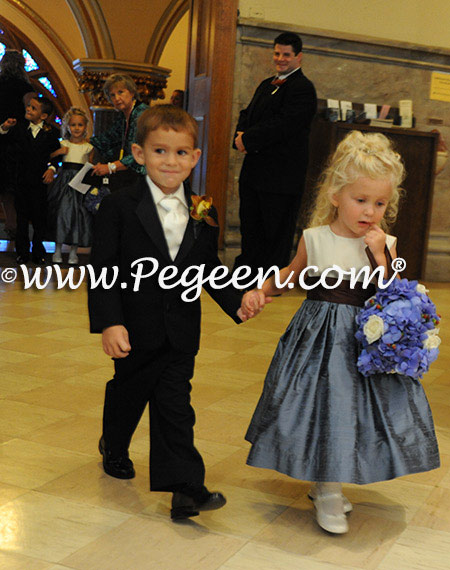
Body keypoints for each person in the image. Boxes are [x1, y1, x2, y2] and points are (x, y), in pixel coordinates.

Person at [241, 131, 440, 534]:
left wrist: (381, 252)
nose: (370, 211)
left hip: (366, 339)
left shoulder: (387, 243)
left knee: (357, 411)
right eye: (360, 200)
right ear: (336, 195)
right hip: (318, 339)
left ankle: (332, 481)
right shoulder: (315, 238)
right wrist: (261, 291)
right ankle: (327, 488)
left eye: (379, 203)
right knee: (322, 406)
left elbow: (393, 290)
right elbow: (290, 275)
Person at [88, 105, 251, 520]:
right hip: (134, 326)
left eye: (181, 153)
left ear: (194, 158)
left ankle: (185, 489)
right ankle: (114, 443)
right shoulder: (119, 207)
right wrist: (109, 321)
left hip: (180, 330)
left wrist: (237, 300)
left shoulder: (202, 210)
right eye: (160, 151)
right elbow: (103, 269)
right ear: (139, 154)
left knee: (175, 406)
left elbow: (207, 268)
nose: (170, 161)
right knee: (129, 393)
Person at [233, 31, 317, 280]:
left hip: (281, 177)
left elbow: (283, 125)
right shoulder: (267, 84)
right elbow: (247, 113)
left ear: (298, 57)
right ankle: (246, 272)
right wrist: (239, 135)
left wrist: (247, 139)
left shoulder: (302, 88)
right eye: (277, 53)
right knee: (251, 225)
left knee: (275, 228)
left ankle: (271, 278)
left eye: (286, 55)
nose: (280, 59)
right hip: (255, 172)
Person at [0, 95, 60, 264]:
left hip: (40, 183)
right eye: (28, 106)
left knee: (39, 219)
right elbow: (4, 143)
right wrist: (4, 128)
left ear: (43, 116)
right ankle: (22, 252)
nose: (28, 109)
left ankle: (38, 251)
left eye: (33, 108)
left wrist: (52, 168)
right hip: (20, 181)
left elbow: (55, 155)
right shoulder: (18, 128)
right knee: (22, 218)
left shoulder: (52, 133)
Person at [47, 107, 94, 265]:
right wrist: (57, 152)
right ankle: (58, 250)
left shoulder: (88, 147)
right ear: (67, 126)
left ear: (85, 127)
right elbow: (48, 156)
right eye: (73, 125)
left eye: (80, 125)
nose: (76, 128)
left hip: (80, 182)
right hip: (64, 182)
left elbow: (91, 166)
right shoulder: (63, 143)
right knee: (62, 213)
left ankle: (74, 251)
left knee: (78, 216)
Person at [90, 73, 148, 190]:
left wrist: (110, 167)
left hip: (147, 177)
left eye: (120, 92)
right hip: (130, 176)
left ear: (132, 92)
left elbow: (138, 152)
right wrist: (83, 142)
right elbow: (109, 138)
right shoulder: (123, 116)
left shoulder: (142, 114)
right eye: (112, 95)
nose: (116, 98)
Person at [0, 49, 34, 239]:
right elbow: (32, 114)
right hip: (18, 143)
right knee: (12, 187)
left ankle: (11, 224)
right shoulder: (26, 89)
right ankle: (13, 224)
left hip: (1, 137)